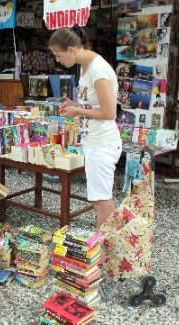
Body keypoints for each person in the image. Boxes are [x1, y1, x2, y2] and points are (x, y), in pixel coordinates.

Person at [48, 26, 122, 230]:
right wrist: (76, 105)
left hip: (102, 142)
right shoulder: (85, 66)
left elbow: (109, 113)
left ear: (71, 49)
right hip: (94, 141)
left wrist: (77, 111)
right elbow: (95, 105)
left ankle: (103, 253)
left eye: (58, 55)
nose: (57, 60)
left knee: (100, 202)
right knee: (102, 199)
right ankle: (112, 247)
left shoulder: (98, 70)